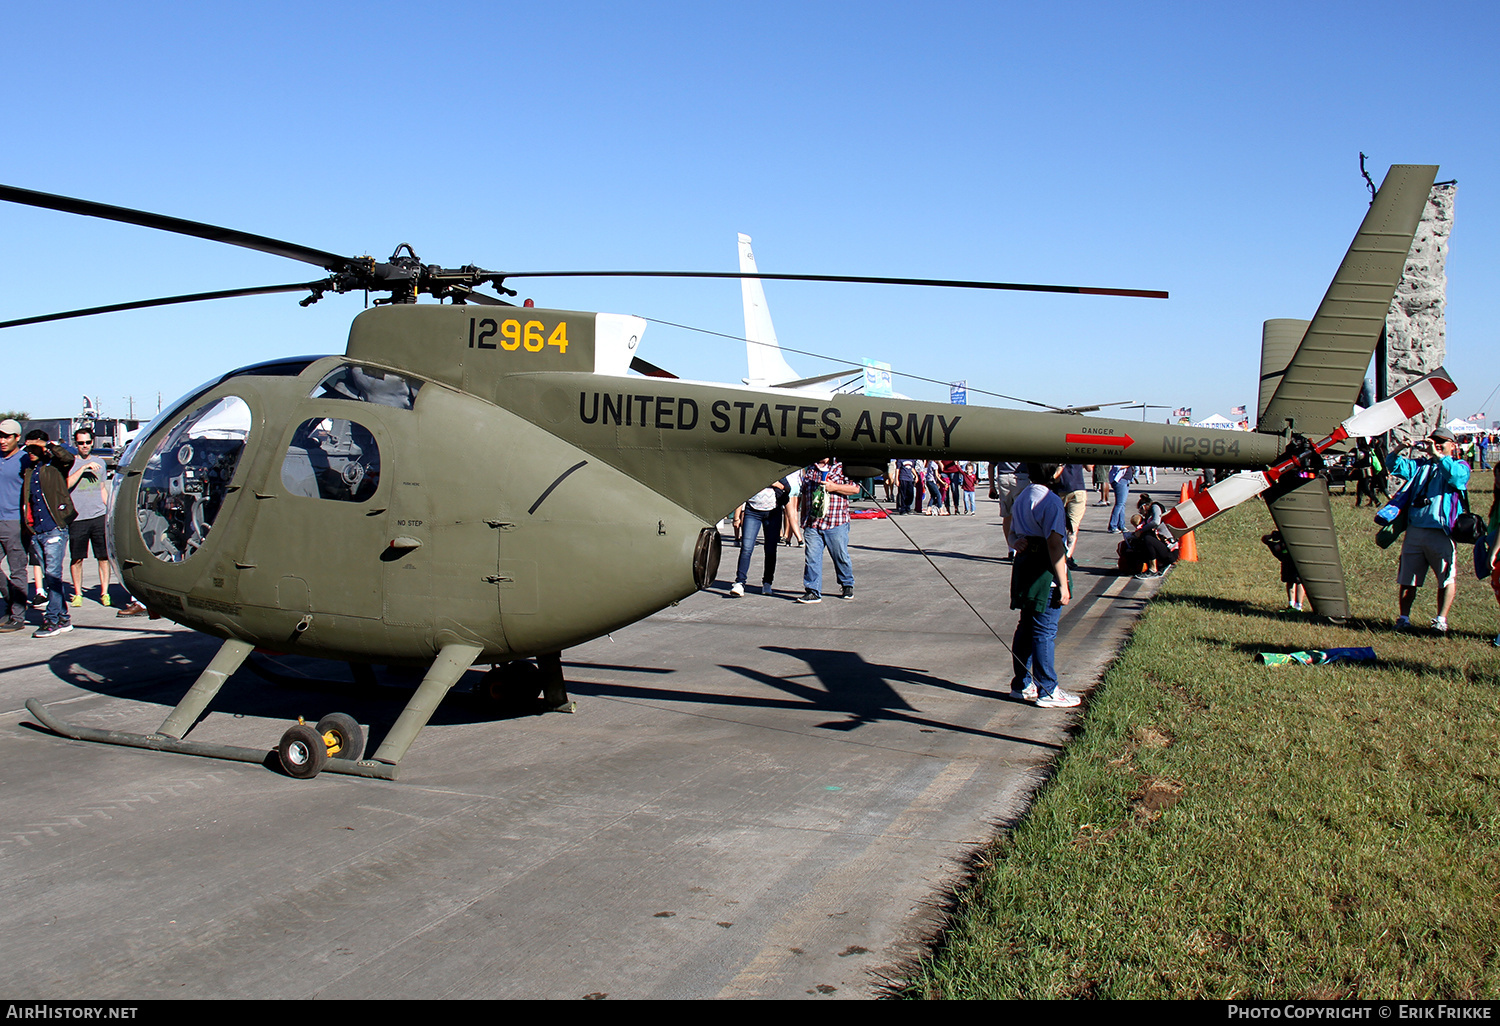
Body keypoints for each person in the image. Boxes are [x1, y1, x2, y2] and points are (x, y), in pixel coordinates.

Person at [1007, 463, 1077, 707]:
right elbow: (1055, 544)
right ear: (1056, 472)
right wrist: (1063, 583)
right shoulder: (1052, 501)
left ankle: (1022, 683)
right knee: (1044, 630)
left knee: (1026, 626)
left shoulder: (1023, 495)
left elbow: (1012, 532)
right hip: (1043, 568)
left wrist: (1016, 542)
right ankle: (1047, 689)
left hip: (1025, 564)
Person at [1391, 427, 1470, 633]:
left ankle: (1440, 620)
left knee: (1445, 578)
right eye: (1434, 440)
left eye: (1442, 441)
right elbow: (1393, 465)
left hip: (1441, 532)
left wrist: (1439, 457)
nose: (1436, 444)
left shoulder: (1459, 465)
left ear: (1452, 445)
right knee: (1408, 578)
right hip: (1416, 529)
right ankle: (1404, 618)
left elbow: (1456, 479)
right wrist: (1399, 448)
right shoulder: (1421, 466)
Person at [20, 430, 77, 638]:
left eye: (35, 449)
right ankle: (63, 618)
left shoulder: (55, 466)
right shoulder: (29, 470)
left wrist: (48, 445)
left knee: (53, 576)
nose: (31, 452)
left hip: (55, 527)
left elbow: (68, 457)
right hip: (37, 531)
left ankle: (52, 619)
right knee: (49, 577)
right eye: (28, 449)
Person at [797, 457, 858, 603]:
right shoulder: (811, 470)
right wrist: (803, 518)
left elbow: (855, 488)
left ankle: (847, 585)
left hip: (835, 522)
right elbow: (805, 494)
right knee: (811, 558)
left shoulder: (841, 467)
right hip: (813, 523)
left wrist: (834, 487)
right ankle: (812, 590)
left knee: (840, 556)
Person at [67, 427, 112, 607]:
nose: (84, 446)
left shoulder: (100, 462)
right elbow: (66, 484)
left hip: (97, 515)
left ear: (92, 442)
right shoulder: (70, 463)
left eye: (87, 442)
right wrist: (84, 468)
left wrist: (109, 510)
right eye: (80, 443)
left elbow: (102, 488)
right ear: (75, 444)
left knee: (103, 557)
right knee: (77, 558)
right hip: (77, 518)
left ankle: (105, 592)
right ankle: (78, 593)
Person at [730, 477, 789, 597]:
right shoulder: (752, 470)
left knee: (770, 549)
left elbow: (787, 487)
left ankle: (767, 582)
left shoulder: (775, 469)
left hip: (773, 512)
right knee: (746, 548)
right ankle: (740, 582)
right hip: (752, 511)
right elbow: (740, 492)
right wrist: (737, 516)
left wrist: (775, 484)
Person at [0, 419, 28, 633]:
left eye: (7, 436)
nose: (2, 440)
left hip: (15, 522)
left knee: (17, 568)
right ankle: (14, 602)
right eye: (0, 436)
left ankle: (17, 616)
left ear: (17, 438)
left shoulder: (25, 459)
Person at [1261, 530, 1306, 611]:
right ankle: (1291, 605)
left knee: (1299, 582)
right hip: (1287, 563)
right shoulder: (1280, 542)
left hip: (1296, 562)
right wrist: (1272, 536)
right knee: (1289, 581)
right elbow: (1264, 539)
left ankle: (1299, 606)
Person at [1107, 465, 1136, 533]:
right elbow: (1117, 467)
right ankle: (1112, 526)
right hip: (1120, 481)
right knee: (1119, 504)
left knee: (1122, 504)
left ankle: (1121, 525)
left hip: (1126, 480)